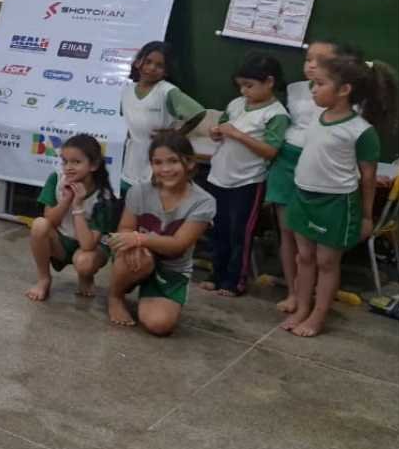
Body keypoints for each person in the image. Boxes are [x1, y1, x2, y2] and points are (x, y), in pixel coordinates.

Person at [282, 55, 397, 337]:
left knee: (326, 262)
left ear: (344, 90)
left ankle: (318, 316)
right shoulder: (318, 116)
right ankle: (301, 309)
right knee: (304, 258)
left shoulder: (360, 131)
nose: (312, 89)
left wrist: (367, 216)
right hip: (302, 196)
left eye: (319, 84)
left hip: (335, 203)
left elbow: (368, 177)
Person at [265, 40, 360, 314]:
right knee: (288, 232)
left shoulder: (344, 94)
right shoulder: (294, 90)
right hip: (287, 163)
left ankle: (316, 299)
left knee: (314, 240)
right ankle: (294, 293)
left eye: (321, 60)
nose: (311, 65)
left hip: (322, 170)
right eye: (308, 59)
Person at [106, 131, 215, 336]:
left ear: (189, 163)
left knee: (159, 325)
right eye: (157, 162)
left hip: (171, 268)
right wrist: (134, 243)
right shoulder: (138, 191)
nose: (165, 169)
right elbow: (125, 228)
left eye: (173, 161)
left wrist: (140, 238)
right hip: (138, 257)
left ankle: (149, 292)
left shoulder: (204, 202)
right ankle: (115, 297)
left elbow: (179, 244)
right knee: (141, 256)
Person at [201, 54, 289, 297]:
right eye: (241, 85)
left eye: (249, 85)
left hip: (247, 182)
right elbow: (222, 127)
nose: (244, 90)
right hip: (220, 175)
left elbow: (271, 151)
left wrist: (238, 134)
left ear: (269, 82)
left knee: (240, 233)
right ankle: (215, 274)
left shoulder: (276, 114)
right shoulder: (236, 104)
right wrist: (215, 133)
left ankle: (234, 281)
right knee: (217, 229)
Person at [26, 134, 120, 301]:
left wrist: (78, 206)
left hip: (90, 249)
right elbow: (50, 219)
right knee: (39, 224)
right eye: (65, 161)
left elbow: (88, 244)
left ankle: (85, 276)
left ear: (94, 165)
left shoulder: (103, 197)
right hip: (62, 241)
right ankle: (44, 279)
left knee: (84, 262)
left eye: (76, 162)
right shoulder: (56, 179)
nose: (68, 167)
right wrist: (66, 200)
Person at [120, 41, 205, 195]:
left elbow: (198, 113)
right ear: (138, 62)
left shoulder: (167, 91)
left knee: (153, 202)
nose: (152, 68)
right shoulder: (128, 90)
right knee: (130, 200)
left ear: (166, 71)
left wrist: (177, 134)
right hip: (133, 156)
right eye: (148, 62)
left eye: (159, 65)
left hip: (160, 157)